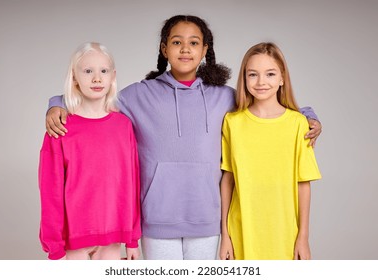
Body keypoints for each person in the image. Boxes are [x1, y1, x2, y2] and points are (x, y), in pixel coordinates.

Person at [45, 16, 321, 260]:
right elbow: (96, 98)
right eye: (177, 42)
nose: (185, 49)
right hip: (157, 219)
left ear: (205, 50)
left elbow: (265, 102)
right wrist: (57, 102)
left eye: (193, 42)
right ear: (165, 49)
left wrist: (307, 115)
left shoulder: (224, 96)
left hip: (207, 220)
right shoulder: (138, 95)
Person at [38, 42, 141, 260]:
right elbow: (50, 190)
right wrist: (54, 246)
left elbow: (131, 182)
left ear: (113, 76)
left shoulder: (123, 126)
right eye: (87, 71)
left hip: (112, 236)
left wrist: (132, 239)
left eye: (103, 71)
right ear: (74, 78)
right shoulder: (60, 128)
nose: (97, 78)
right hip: (73, 238)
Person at [219, 42, 322, 260]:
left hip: (284, 232)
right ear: (244, 79)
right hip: (241, 231)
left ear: (282, 78)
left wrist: (303, 237)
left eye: (270, 74)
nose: (261, 82)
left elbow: (303, 184)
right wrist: (225, 235)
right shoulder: (232, 122)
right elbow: (228, 180)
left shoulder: (298, 124)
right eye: (253, 74)